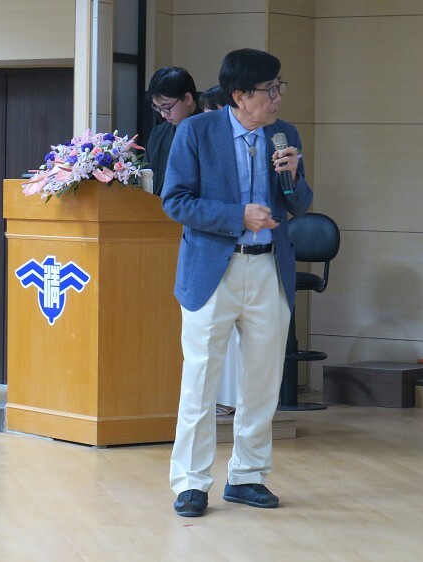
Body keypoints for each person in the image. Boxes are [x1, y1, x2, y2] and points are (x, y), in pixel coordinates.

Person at [161, 48, 313, 518]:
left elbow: (300, 204)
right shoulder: (196, 131)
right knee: (200, 379)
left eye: (279, 87)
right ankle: (191, 482)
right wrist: (237, 216)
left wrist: (291, 176)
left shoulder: (284, 135)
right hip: (213, 271)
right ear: (240, 95)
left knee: (262, 381)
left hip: (269, 269)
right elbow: (176, 201)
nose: (278, 97)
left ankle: (248, 476)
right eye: (270, 89)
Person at [200, 83, 239, 418]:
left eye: (211, 112)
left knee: (237, 337)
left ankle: (232, 398)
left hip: (242, 253)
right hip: (210, 251)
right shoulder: (200, 145)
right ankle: (217, 397)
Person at [145, 67, 199, 196]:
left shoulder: (209, 131)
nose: (163, 115)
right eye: (158, 108)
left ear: (187, 98)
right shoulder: (158, 133)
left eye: (166, 107)